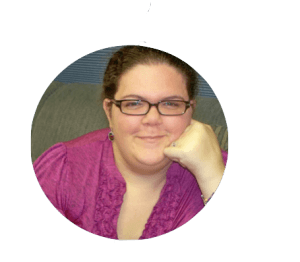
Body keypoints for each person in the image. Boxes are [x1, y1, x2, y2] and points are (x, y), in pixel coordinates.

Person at [33, 45, 228, 240]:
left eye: (170, 103)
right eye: (134, 103)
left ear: (190, 110)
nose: (152, 119)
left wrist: (212, 178)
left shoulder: (217, 170)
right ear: (109, 112)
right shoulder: (62, 168)